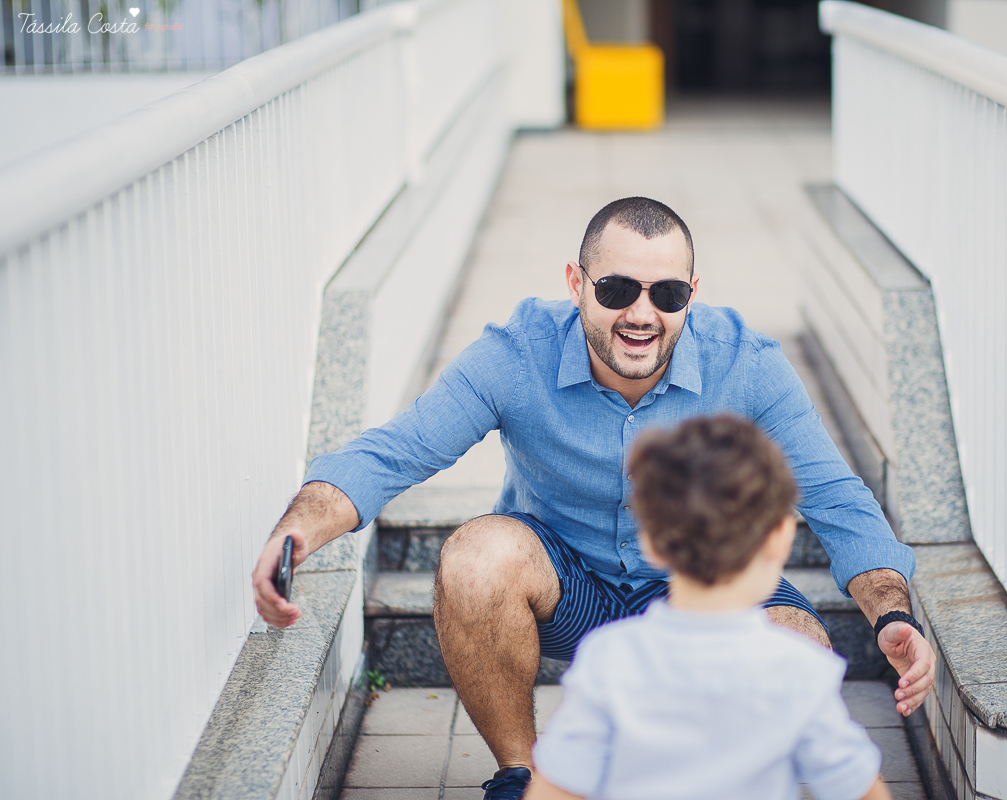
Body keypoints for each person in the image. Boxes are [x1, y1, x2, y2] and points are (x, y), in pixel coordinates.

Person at [251, 197, 932, 800]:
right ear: (576, 284)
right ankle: (520, 776)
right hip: (565, 585)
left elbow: (836, 498)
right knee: (475, 556)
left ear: (692, 292)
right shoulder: (516, 354)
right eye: (615, 289)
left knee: (800, 646)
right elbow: (397, 451)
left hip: (699, 586)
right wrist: (297, 534)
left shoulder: (745, 363)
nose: (642, 315)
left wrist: (890, 615)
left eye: (667, 293)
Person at [526, 414, 891, 800]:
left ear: (650, 540)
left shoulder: (608, 659)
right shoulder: (799, 669)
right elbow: (862, 791)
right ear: (780, 538)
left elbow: (555, 791)